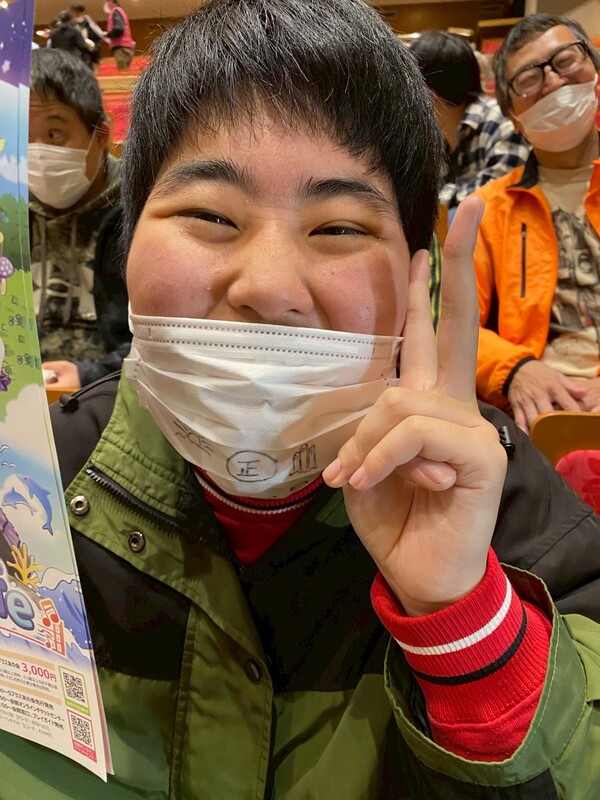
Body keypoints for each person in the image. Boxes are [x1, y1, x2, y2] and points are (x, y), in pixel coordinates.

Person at [2, 1, 600, 796]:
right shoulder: (28, 483)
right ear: (130, 238)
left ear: (415, 274)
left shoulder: (507, 505)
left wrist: (465, 616)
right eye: (209, 215)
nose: (269, 286)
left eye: (339, 228)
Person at [474, 14, 600, 432]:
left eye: (566, 59)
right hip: (533, 414)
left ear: (594, 70)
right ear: (513, 118)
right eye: (529, 77)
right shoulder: (487, 208)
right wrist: (515, 370)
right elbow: (452, 326)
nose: (553, 81)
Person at [28, 48, 129, 390]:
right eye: (21, 137)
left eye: (54, 135)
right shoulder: (9, 211)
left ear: (101, 136)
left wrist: (90, 376)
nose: (35, 152)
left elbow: (166, 343)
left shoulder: (142, 210)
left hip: (109, 395)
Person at [410, 30, 531, 211]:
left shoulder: (502, 124)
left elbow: (496, 200)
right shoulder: (436, 137)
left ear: (429, 96)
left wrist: (430, 203)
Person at [70, 2, 105, 72]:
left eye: (78, 12)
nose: (75, 14)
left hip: (90, 51)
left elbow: (97, 35)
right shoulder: (70, 24)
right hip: (77, 52)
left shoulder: (88, 22)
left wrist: (94, 48)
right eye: (74, 12)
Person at [102, 0, 136, 71]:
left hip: (121, 47)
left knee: (123, 72)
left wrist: (107, 34)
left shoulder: (116, 11)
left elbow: (118, 29)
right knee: (125, 70)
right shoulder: (120, 11)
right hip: (126, 46)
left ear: (111, 1)